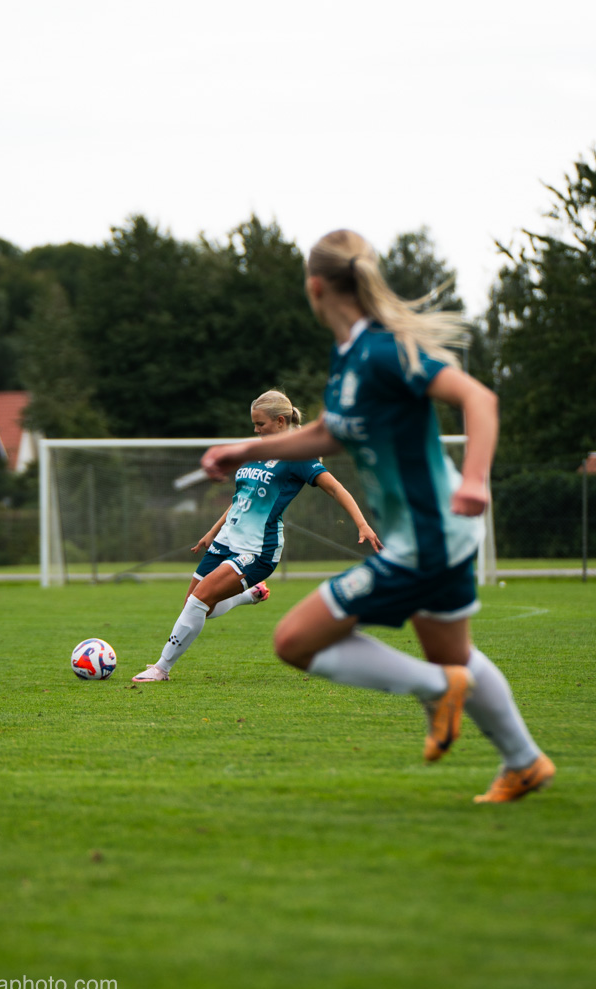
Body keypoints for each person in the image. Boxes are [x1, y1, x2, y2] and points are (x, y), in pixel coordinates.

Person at [201, 230, 555, 804]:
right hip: (436, 531)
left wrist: (475, 478)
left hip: (428, 532)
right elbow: (328, 434)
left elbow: (479, 399)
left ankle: (438, 691)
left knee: (295, 640)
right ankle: (524, 762)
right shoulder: (349, 358)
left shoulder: (383, 351)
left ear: (316, 288)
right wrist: (244, 450)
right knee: (453, 654)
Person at [131, 389, 381, 683]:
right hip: (226, 539)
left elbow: (336, 489)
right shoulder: (257, 453)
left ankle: (161, 668)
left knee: (199, 600)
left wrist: (362, 524)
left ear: (280, 421)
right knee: (196, 606)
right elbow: (241, 500)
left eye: (260, 424)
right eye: (254, 424)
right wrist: (212, 532)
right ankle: (247, 596)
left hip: (257, 549)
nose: (256, 430)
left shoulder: (298, 457)